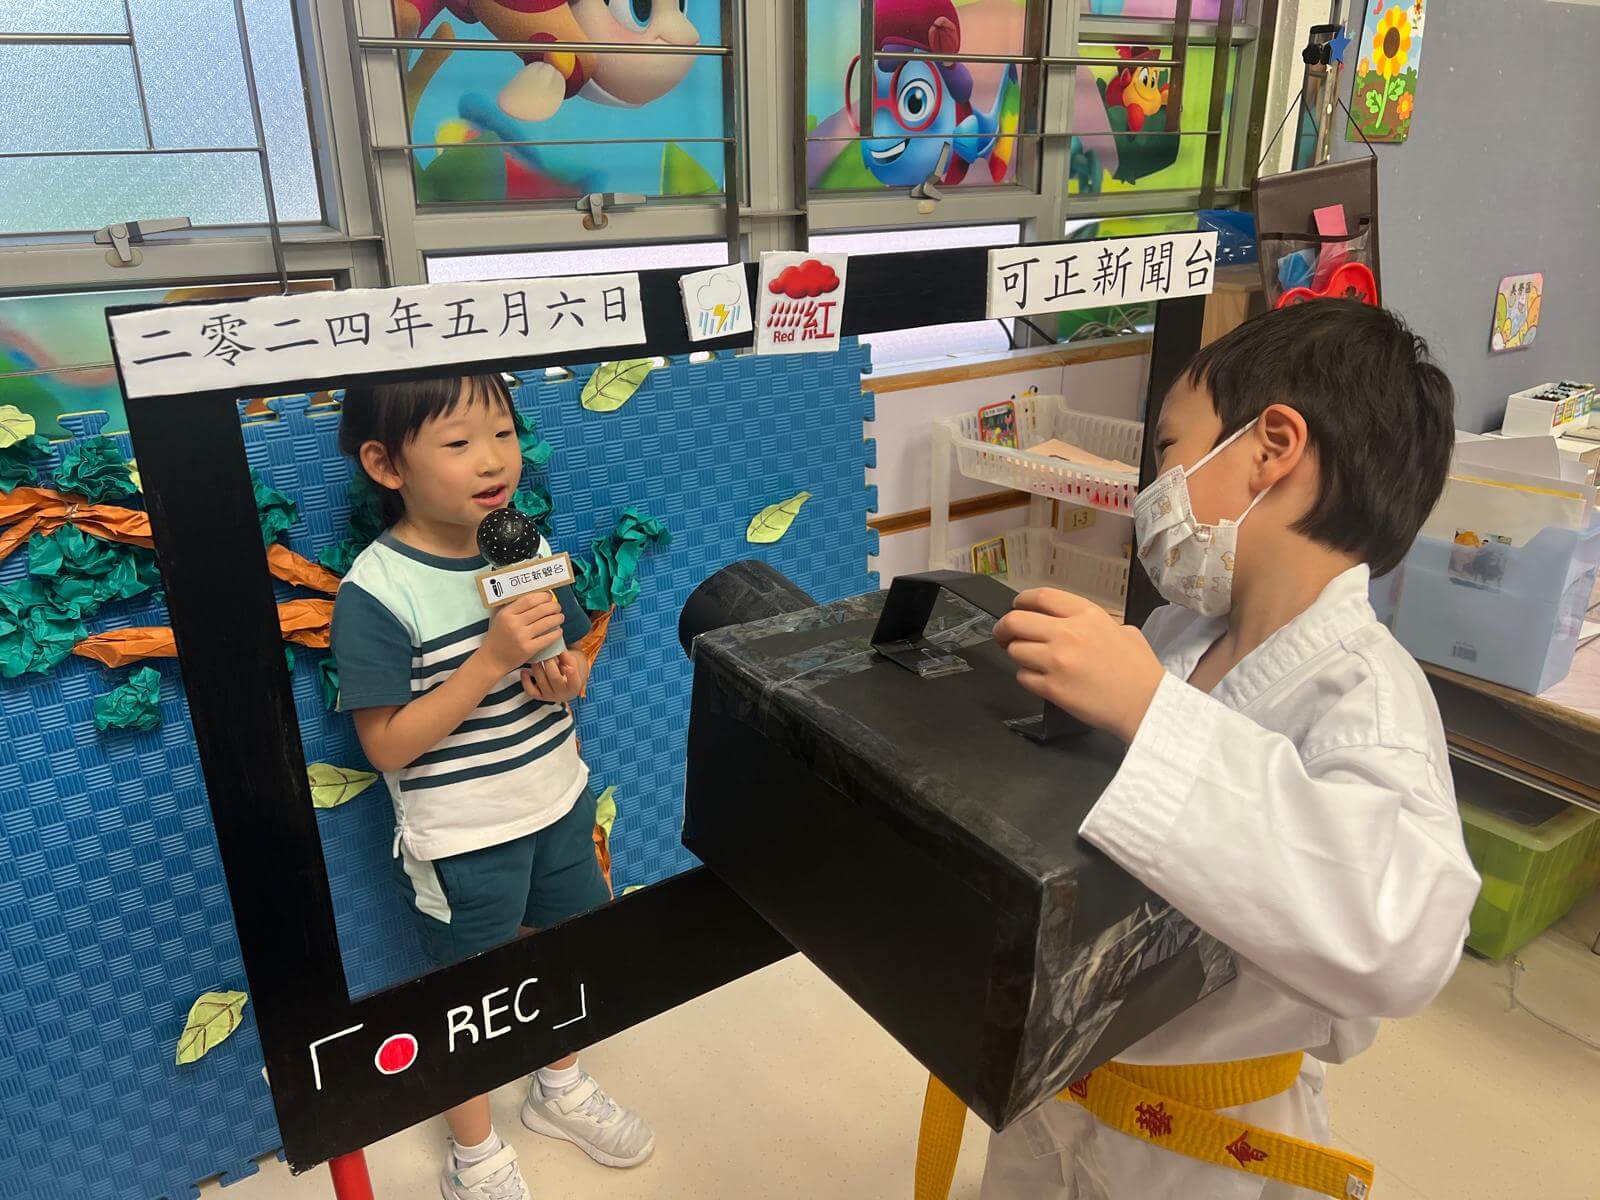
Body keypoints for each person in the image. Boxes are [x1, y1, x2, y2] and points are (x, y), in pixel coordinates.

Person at [984, 301, 1482, 1199]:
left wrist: (1151, 713)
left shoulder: (1366, 696)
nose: (1156, 489)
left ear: (1272, 448)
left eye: (1170, 451)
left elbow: (1404, 935)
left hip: (1206, 1140)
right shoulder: (1180, 634)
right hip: (1070, 1080)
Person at [330, 374, 653, 1200]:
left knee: (564, 953)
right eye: (458, 442)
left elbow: (573, 657)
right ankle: (474, 1155)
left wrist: (567, 674)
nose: (493, 460)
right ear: (386, 465)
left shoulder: (524, 543)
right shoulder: (377, 590)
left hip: (559, 802)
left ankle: (560, 1088)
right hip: (464, 839)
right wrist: (489, 661)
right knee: (467, 1001)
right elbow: (385, 746)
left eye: (503, 433)